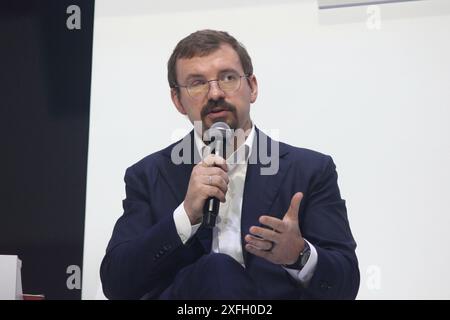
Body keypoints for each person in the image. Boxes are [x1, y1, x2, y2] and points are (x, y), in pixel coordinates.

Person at [100, 29, 359, 300]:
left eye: (228, 78)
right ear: (177, 100)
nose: (215, 93)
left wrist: (299, 255)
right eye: (197, 83)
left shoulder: (309, 170)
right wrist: (185, 216)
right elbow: (118, 285)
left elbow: (346, 284)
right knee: (217, 268)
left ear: (253, 87)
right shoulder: (148, 175)